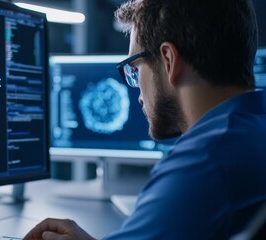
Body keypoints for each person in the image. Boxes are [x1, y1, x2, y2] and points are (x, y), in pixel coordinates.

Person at [24, 0, 266, 239]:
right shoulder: (254, 131)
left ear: (169, 60)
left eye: (135, 69)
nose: (138, 94)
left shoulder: (204, 163)